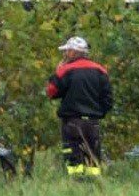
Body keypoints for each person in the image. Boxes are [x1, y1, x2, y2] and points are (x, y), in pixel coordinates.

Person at [45, 36, 112, 177]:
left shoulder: (65, 70)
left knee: (73, 160)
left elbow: (51, 92)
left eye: (67, 51)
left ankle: (75, 186)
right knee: (93, 161)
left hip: (72, 122)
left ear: (74, 52)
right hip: (93, 123)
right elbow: (108, 100)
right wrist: (98, 113)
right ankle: (93, 188)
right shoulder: (101, 71)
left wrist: (56, 73)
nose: (65, 54)